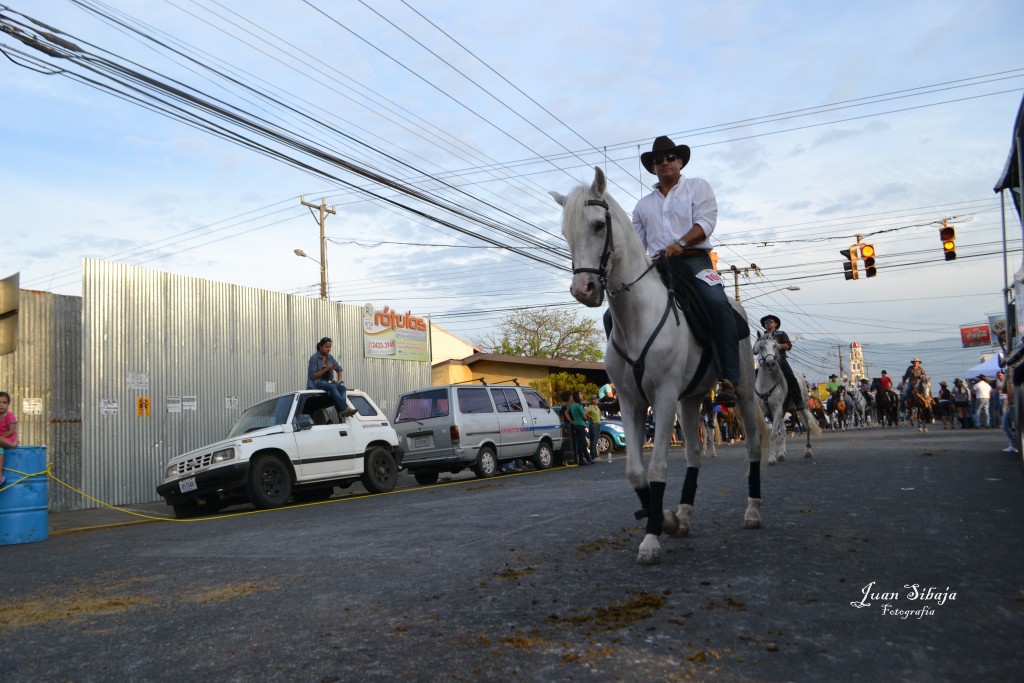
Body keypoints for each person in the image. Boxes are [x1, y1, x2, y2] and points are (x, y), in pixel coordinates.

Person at [631, 135, 740, 404]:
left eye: (670, 158)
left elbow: (706, 222)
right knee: (616, 313)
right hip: (659, 267)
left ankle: (728, 378)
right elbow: (636, 246)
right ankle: (630, 381)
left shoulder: (697, 187)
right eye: (658, 160)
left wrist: (680, 243)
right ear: (653, 167)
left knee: (716, 302)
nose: (664, 163)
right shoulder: (643, 205)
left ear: (680, 161)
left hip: (694, 260)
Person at [307, 337, 356, 418]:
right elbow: (313, 376)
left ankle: (343, 410)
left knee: (342, 388)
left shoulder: (330, 357)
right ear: (320, 347)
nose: (328, 349)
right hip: (318, 383)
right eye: (326, 347)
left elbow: (339, 369)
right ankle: (344, 408)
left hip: (328, 382)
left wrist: (339, 381)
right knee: (333, 387)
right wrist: (327, 369)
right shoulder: (314, 358)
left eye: (330, 347)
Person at [758, 315, 801, 405]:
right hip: (765, 363)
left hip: (780, 360)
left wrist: (777, 346)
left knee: (791, 377)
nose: (768, 323)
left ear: (776, 324)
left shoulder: (781, 333)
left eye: (770, 321)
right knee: (754, 377)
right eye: (766, 322)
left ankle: (798, 401)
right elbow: (755, 350)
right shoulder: (762, 336)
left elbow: (788, 346)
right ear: (764, 325)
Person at [0, 391, 17, 488]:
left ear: (8, 404)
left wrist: (2, 438)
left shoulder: (9, 415)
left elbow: (11, 430)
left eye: (4, 402)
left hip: (9, 439)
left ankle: (0, 476)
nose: (1, 405)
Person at [568, 391, 589, 465]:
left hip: (576, 425)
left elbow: (566, 412)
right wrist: (586, 418)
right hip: (581, 425)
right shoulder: (579, 406)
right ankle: (581, 460)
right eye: (580, 394)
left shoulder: (572, 405)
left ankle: (588, 459)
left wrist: (571, 421)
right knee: (582, 443)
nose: (582, 395)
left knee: (582, 443)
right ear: (577, 396)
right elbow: (584, 416)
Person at [584, 395, 602, 464]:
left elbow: (600, 413)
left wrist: (599, 416)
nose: (597, 400)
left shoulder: (597, 407)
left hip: (598, 424)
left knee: (596, 440)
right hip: (593, 424)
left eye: (597, 399)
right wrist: (590, 417)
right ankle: (593, 457)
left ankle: (596, 456)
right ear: (592, 400)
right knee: (593, 441)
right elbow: (585, 413)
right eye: (595, 399)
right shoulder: (590, 407)